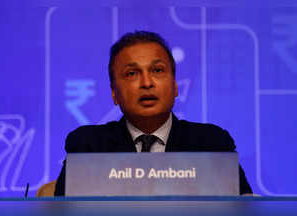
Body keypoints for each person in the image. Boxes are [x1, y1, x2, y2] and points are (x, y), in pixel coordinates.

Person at [54, 31, 252, 195]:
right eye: (132, 73)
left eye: (157, 70)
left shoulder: (212, 145)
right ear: (114, 93)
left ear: (175, 87)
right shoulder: (88, 147)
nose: (147, 83)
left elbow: (245, 209)